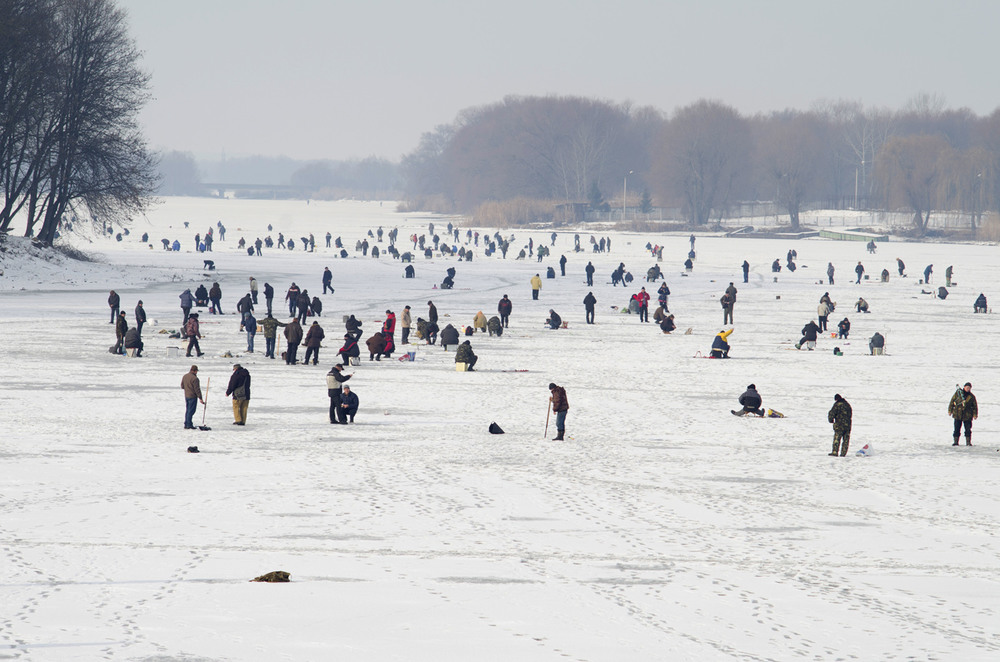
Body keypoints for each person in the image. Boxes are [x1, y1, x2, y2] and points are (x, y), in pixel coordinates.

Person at [181, 365, 205, 430]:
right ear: (194, 371)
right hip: (192, 396)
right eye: (196, 371)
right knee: (191, 411)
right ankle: (188, 424)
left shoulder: (185, 376)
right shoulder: (195, 379)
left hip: (186, 395)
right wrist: (200, 398)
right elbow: (197, 389)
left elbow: (182, 386)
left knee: (188, 410)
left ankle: (187, 423)